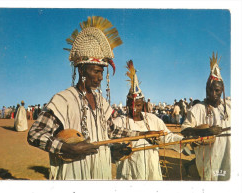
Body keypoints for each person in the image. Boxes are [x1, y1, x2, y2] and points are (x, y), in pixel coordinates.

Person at [27, 16, 123, 180]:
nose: (100, 77)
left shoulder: (101, 101)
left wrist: (118, 147)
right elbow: (35, 134)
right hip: (74, 173)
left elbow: (112, 131)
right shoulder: (62, 100)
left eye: (102, 72)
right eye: (96, 71)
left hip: (102, 172)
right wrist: (65, 148)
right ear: (81, 71)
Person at [110, 60, 184, 180]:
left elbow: (167, 136)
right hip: (128, 174)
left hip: (151, 171)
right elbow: (109, 146)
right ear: (126, 103)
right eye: (131, 104)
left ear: (143, 104)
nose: (134, 108)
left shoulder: (152, 119)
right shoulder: (119, 122)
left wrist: (184, 140)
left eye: (138, 105)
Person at [181, 52, 231, 181]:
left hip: (229, 159)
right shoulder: (198, 108)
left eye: (217, 91)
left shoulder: (230, 107)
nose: (213, 94)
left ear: (222, 90)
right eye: (210, 90)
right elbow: (185, 130)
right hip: (209, 161)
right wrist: (206, 131)